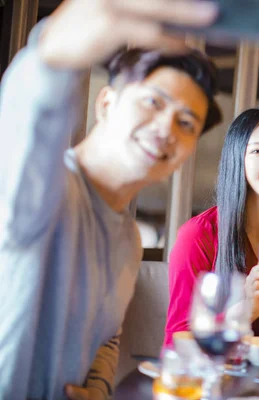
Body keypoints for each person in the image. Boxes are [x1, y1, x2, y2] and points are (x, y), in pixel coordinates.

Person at [0, 1, 222, 398]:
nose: (165, 128)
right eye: (153, 102)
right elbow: (27, 126)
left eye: (186, 123)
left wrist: (99, 387)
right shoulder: (46, 189)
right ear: (106, 104)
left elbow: (106, 335)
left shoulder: (129, 239)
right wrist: (52, 55)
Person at [164, 107, 259, 347]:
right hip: (219, 377)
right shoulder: (198, 236)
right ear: (237, 158)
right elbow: (177, 340)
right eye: (258, 152)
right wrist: (243, 311)